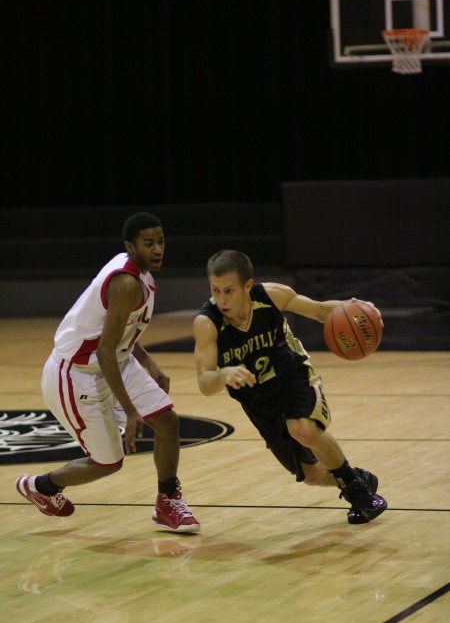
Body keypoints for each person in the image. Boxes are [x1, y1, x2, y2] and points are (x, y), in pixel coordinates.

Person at [16, 212, 200, 533]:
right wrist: (129, 411)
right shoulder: (126, 282)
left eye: (161, 241)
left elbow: (119, 335)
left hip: (115, 359)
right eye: (149, 243)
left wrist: (151, 365)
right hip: (76, 373)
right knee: (108, 463)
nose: (157, 249)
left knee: (167, 421)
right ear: (130, 246)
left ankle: (167, 500)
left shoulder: (140, 273)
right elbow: (103, 349)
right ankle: (42, 486)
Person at [193, 249, 387, 525]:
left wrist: (357, 309)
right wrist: (223, 373)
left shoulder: (271, 296)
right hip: (258, 401)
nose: (221, 299)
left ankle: (359, 494)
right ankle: (358, 479)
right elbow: (205, 384)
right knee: (311, 475)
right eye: (215, 290)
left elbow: (320, 310)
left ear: (248, 286)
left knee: (302, 429)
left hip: (291, 374)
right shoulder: (207, 323)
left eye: (229, 290)